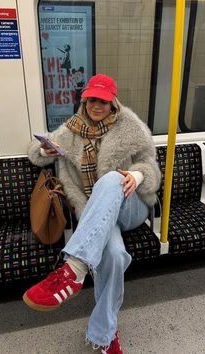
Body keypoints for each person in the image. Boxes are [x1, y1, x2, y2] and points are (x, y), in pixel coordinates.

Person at [23, 74, 161, 353]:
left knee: (110, 179)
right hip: (95, 213)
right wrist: (44, 147)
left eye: (104, 101)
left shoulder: (131, 128)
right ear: (84, 100)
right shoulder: (68, 132)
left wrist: (136, 175)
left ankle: (74, 268)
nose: (97, 105)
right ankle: (105, 335)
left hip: (130, 203)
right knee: (114, 255)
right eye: (92, 99)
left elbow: (153, 170)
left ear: (113, 103)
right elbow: (35, 156)